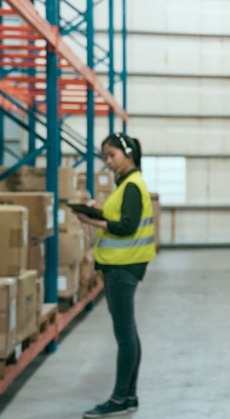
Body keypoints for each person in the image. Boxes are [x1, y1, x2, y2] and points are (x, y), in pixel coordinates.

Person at [74, 132, 156, 418]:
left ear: (128, 153)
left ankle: (120, 399)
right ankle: (129, 397)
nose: (108, 162)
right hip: (120, 265)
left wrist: (91, 219)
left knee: (125, 335)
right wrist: (99, 211)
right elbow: (120, 218)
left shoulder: (132, 185)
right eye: (105, 156)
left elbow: (126, 227)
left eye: (112, 155)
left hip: (124, 266)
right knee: (128, 333)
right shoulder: (125, 185)